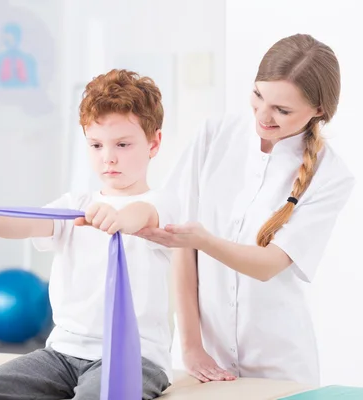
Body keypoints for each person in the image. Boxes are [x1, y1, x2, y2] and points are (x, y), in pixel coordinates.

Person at [133, 33, 355, 386]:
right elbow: (182, 248)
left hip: (279, 365)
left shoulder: (330, 174)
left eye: (282, 110)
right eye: (258, 96)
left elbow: (268, 265)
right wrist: (191, 346)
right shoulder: (214, 135)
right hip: (200, 360)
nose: (263, 116)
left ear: (319, 110)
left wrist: (204, 240)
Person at [0, 69, 176, 399]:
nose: (108, 157)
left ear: (153, 143)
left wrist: (119, 217)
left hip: (135, 358)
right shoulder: (76, 205)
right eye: (96, 145)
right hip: (62, 354)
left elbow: (140, 216)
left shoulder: (161, 202)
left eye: (123, 144)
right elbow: (30, 224)